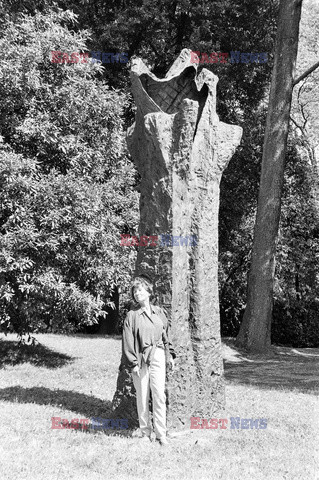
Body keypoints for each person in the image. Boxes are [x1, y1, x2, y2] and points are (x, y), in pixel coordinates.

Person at [122, 275, 176, 446]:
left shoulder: (159, 312)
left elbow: (166, 335)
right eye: (134, 291)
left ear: (148, 292)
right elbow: (128, 341)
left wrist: (171, 355)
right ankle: (145, 433)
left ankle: (161, 434)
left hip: (158, 355)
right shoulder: (132, 316)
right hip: (140, 358)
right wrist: (133, 363)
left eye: (140, 290)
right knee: (143, 396)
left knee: (159, 394)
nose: (137, 293)